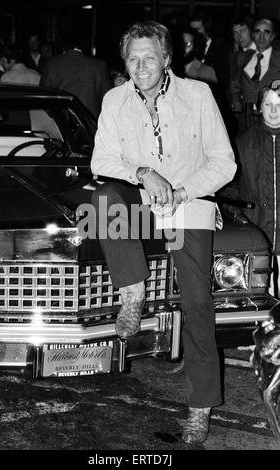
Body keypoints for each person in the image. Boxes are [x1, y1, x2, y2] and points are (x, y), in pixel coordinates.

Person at [89, 21, 236, 443]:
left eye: (149, 57)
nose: (141, 66)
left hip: (189, 207)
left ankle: (200, 407)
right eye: (133, 59)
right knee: (101, 200)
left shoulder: (198, 95)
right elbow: (101, 161)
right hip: (142, 205)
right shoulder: (115, 100)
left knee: (197, 305)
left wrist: (184, 190)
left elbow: (224, 163)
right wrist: (143, 172)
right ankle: (131, 294)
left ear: (167, 58)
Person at [234, 79, 280, 298]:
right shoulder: (242, 143)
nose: (274, 111)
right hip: (257, 235)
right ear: (259, 107)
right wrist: (239, 214)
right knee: (261, 297)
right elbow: (230, 186)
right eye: (268, 104)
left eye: (279, 104)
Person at [40, 32, 112, 120]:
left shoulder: (52, 64)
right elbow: (109, 100)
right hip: (90, 126)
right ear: (84, 44)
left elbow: (43, 100)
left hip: (61, 126)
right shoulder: (99, 66)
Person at [231, 17, 280, 128]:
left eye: (266, 32)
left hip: (274, 122)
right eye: (257, 32)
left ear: (272, 36)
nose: (261, 37)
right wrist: (237, 105)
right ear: (253, 35)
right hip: (246, 122)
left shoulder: (278, 60)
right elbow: (235, 85)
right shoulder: (242, 58)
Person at [189, 13, 231, 99]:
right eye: (192, 30)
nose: (194, 33)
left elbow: (224, 81)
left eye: (197, 29)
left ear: (207, 29)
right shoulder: (190, 49)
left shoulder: (222, 49)